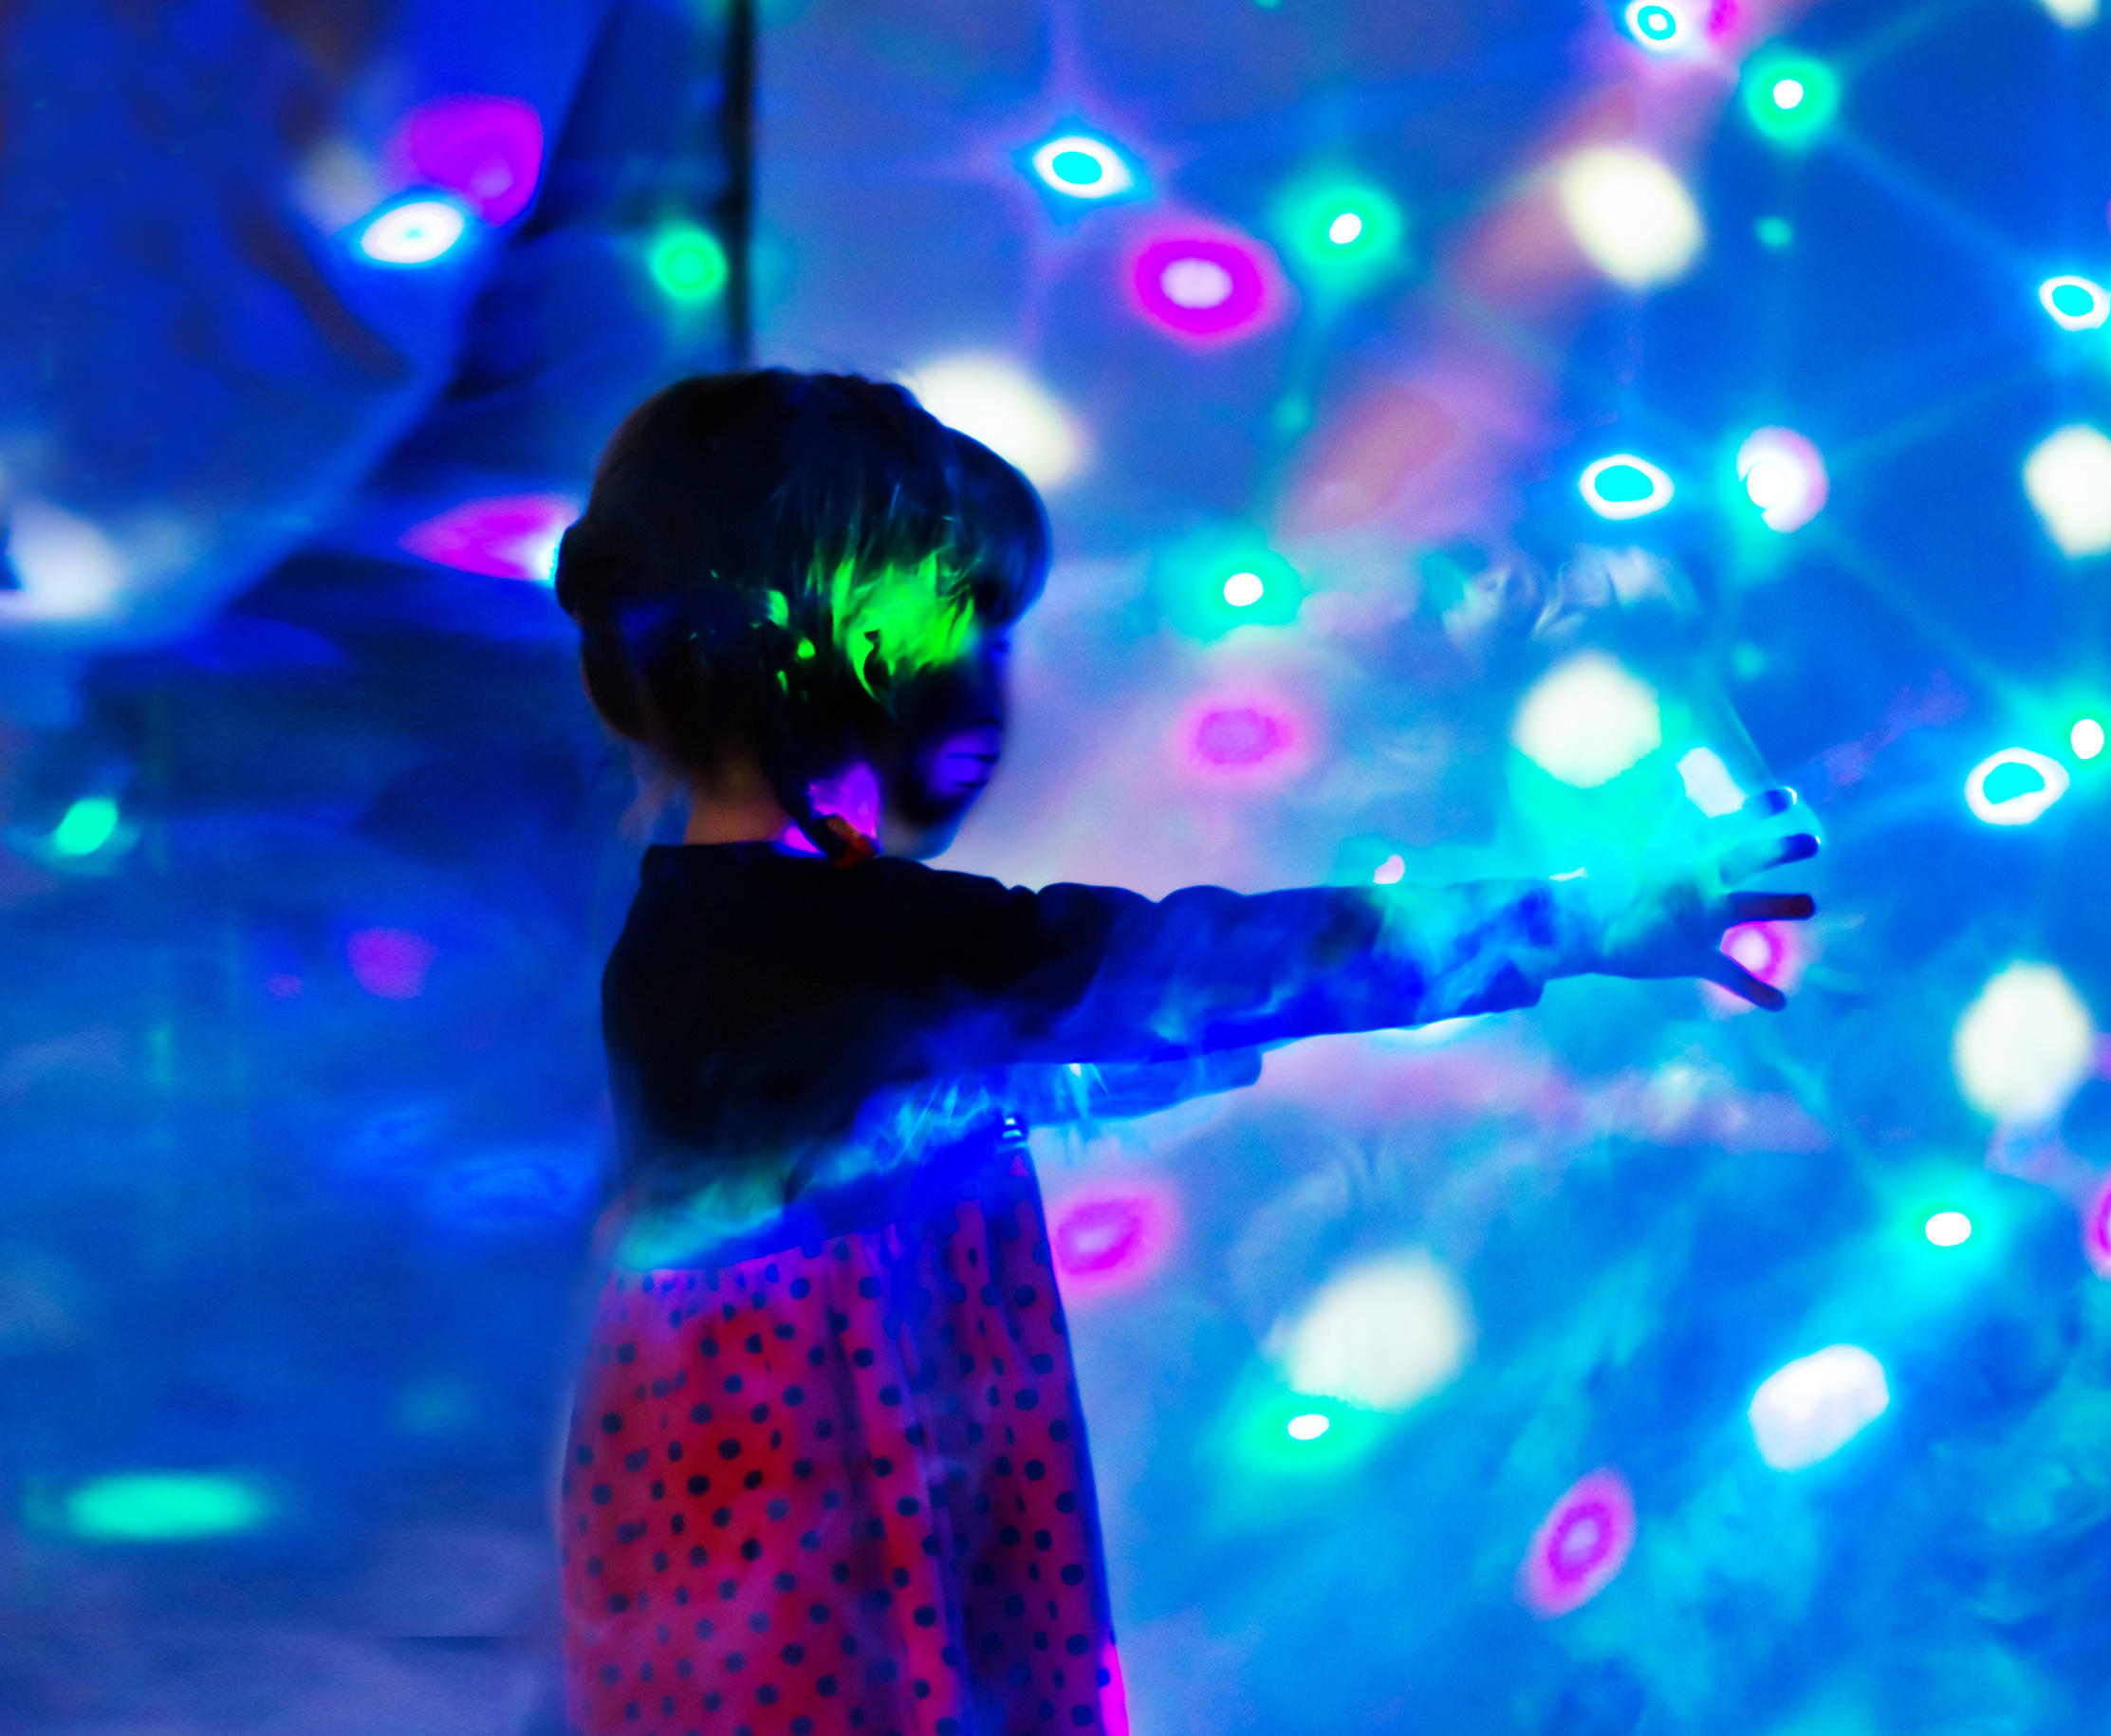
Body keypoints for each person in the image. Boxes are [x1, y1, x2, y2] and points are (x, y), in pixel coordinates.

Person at [547, 370, 1814, 1736]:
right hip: (822, 1519)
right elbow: (1195, 974)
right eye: (960, 630)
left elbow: (949, 1090)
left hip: (836, 1483)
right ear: (851, 649)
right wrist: (1583, 916)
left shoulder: (744, 925)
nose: (983, 687)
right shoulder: (811, 933)